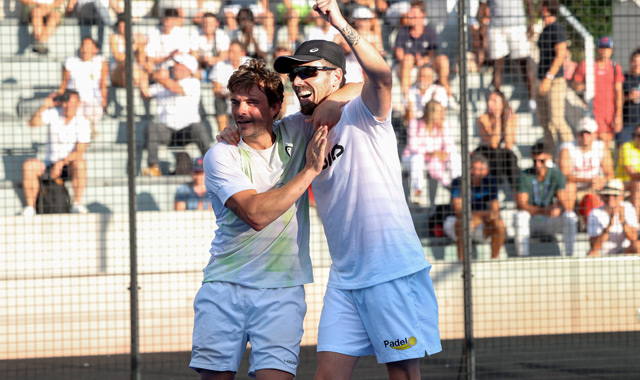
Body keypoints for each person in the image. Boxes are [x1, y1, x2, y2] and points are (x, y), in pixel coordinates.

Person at [274, 1, 442, 377]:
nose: (298, 80)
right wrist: (233, 131)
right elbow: (260, 130)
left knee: (402, 374)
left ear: (335, 76)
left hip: (389, 269)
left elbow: (380, 76)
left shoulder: (363, 111)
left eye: (308, 72)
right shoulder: (301, 125)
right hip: (345, 276)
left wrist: (338, 22)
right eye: (294, 75)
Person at [189, 58, 330, 380]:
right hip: (225, 285)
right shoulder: (222, 154)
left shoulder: (298, 128)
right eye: (236, 102)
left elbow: (361, 89)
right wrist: (309, 169)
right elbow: (255, 214)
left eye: (253, 102)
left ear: (276, 107)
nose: (241, 111)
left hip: (283, 288)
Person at [21, 90, 91, 217]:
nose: (68, 106)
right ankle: (30, 208)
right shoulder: (53, 114)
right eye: (66, 103)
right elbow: (32, 123)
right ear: (61, 103)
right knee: (29, 165)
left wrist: (61, 163)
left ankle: (77, 204)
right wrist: (44, 106)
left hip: (68, 165)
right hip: (48, 163)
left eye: (72, 103)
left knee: (80, 163)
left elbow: (79, 151)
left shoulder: (83, 122)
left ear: (78, 103)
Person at [140, 54, 211, 177]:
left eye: (178, 65)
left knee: (198, 127)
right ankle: (154, 167)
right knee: (152, 127)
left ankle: (212, 163)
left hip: (187, 131)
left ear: (187, 69)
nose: (174, 67)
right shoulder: (163, 83)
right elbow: (145, 94)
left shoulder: (193, 82)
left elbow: (174, 88)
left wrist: (155, 75)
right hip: (167, 132)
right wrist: (145, 73)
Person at [514, 142, 577, 257]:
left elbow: (564, 203)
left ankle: (570, 256)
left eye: (541, 161)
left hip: (549, 220)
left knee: (570, 216)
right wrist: (544, 211)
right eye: (534, 161)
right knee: (520, 216)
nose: (537, 165)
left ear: (548, 158)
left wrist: (558, 208)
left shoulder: (556, 174)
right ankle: (523, 257)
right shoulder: (524, 175)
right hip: (532, 220)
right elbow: (521, 205)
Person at [444, 153, 506, 260]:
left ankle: (494, 260)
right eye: (472, 168)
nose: (475, 173)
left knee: (499, 224)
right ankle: (462, 263)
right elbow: (459, 212)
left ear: (486, 171)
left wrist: (479, 217)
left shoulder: (490, 181)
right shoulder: (458, 182)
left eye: (479, 169)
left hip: (479, 223)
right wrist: (484, 215)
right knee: (465, 223)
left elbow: (495, 211)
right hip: (455, 222)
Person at [477, 0, 536, 111]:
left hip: (517, 26)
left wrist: (531, 24)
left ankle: (532, 99)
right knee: (497, 66)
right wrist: (482, 28)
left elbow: (529, 3)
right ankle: (496, 101)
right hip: (496, 27)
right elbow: (482, 6)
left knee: (524, 63)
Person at [401, 99, 461, 206]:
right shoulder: (415, 123)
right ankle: (417, 193)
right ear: (430, 112)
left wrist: (444, 153)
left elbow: (450, 144)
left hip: (435, 159)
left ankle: (457, 187)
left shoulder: (443, 124)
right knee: (417, 159)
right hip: (412, 157)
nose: (442, 114)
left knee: (455, 157)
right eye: (439, 112)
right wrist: (430, 153)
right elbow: (412, 146)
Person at [394, 1, 453, 108]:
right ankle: (406, 98)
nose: (410, 16)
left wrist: (424, 61)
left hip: (425, 66)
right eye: (410, 14)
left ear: (423, 15)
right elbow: (399, 54)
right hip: (407, 69)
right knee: (408, 59)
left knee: (443, 60)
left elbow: (432, 53)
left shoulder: (430, 31)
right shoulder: (403, 31)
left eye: (414, 15)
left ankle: (449, 96)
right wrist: (414, 60)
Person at [557, 117, 614, 225]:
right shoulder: (567, 148)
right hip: (576, 186)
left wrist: (601, 180)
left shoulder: (601, 147)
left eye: (588, 133)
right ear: (577, 134)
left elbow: (610, 173)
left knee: (611, 185)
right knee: (569, 187)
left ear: (595, 134)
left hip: (595, 185)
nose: (585, 136)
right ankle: (569, 220)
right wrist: (588, 180)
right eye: (582, 133)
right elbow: (564, 175)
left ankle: (606, 220)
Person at [571, 36, 625, 145]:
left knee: (606, 145)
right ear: (597, 49)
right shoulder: (586, 65)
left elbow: (619, 92)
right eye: (602, 48)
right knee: (598, 142)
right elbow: (574, 83)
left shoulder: (615, 68)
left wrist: (618, 115)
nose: (604, 51)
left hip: (610, 113)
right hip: (591, 112)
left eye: (607, 48)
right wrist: (581, 86)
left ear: (612, 50)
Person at [536, 0, 573, 154]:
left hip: (554, 81)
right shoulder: (544, 29)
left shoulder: (557, 29)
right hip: (542, 80)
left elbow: (561, 55)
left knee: (557, 120)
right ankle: (550, 158)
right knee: (545, 123)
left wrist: (548, 78)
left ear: (545, 8)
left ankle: (572, 153)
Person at [473, 90, 520, 190]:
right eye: (489, 100)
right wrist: (497, 118)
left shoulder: (512, 118)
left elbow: (509, 144)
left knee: (511, 157)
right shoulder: (483, 118)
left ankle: (516, 191)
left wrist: (507, 122)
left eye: (494, 101)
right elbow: (493, 144)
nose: (490, 103)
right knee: (496, 154)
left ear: (502, 103)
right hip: (486, 152)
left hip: (502, 153)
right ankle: (495, 187)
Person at [58, 37, 108, 129]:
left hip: (93, 102)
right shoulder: (70, 62)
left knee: (89, 114)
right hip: (73, 102)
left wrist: (104, 103)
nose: (86, 49)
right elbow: (63, 84)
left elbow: (103, 84)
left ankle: (87, 130)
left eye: (89, 46)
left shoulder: (100, 62)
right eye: (84, 46)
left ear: (95, 49)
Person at [587, 179, 640, 256]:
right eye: (607, 195)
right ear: (603, 196)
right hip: (602, 253)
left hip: (624, 251)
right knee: (592, 253)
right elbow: (594, 247)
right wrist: (609, 225)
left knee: (638, 246)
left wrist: (622, 220)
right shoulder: (595, 213)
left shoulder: (628, 208)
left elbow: (634, 238)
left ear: (621, 197)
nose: (610, 198)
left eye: (615, 195)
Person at [210, 40, 249, 131]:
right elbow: (216, 89)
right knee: (219, 101)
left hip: (245, 97)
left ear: (242, 53)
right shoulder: (219, 65)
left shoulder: (249, 64)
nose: (232, 54)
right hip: (227, 98)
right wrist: (229, 95)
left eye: (235, 52)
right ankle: (224, 132)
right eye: (230, 51)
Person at [109, 14, 148, 88]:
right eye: (120, 25)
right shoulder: (114, 37)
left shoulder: (134, 36)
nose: (122, 28)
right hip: (118, 69)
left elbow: (141, 60)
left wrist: (141, 45)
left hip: (133, 69)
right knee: (127, 68)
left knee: (144, 74)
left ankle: (144, 96)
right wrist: (135, 45)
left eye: (124, 25)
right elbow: (119, 58)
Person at [191, 12, 231, 81]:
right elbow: (193, 54)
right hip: (200, 65)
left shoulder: (222, 35)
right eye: (205, 23)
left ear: (217, 24)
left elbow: (224, 55)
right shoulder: (195, 33)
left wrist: (214, 60)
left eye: (210, 23)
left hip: (216, 65)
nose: (207, 25)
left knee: (220, 66)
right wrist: (202, 59)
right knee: (192, 66)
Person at [615, 123, 640, 222]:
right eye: (638, 135)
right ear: (634, 137)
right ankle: (637, 224)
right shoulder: (626, 147)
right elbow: (632, 174)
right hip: (623, 183)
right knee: (638, 185)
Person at [618, 48, 640, 146]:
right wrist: (628, 97)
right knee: (624, 153)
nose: (636, 64)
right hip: (626, 123)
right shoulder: (623, 78)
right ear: (630, 62)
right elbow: (616, 99)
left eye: (639, 62)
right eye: (634, 61)